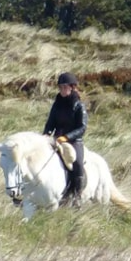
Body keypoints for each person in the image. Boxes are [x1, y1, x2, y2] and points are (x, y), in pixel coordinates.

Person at [43, 72, 87, 206]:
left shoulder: (79, 105)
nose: (62, 90)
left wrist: (67, 137)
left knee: (77, 163)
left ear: (72, 87)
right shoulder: (56, 105)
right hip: (57, 140)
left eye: (65, 87)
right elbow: (50, 123)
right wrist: (46, 134)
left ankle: (77, 195)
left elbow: (82, 128)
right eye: (60, 87)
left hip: (74, 141)